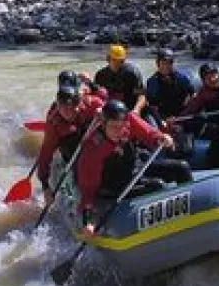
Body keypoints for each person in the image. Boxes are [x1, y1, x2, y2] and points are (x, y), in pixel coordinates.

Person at [74, 99, 190, 234]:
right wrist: (89, 220)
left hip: (134, 169)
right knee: (157, 186)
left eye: (122, 126)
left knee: (182, 167)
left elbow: (148, 133)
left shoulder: (129, 119)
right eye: (113, 127)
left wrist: (160, 138)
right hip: (113, 186)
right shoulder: (93, 148)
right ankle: (165, 231)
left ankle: (193, 215)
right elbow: (87, 189)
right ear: (103, 125)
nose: (119, 131)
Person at [35, 83, 102, 193]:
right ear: (57, 106)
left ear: (79, 103)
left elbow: (109, 102)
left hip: (91, 137)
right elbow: (46, 152)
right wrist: (45, 186)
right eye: (63, 108)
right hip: (72, 145)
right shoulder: (53, 121)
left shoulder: (93, 103)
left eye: (71, 107)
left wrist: (104, 112)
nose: (67, 112)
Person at [143, 49, 194, 127]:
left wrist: (182, 115)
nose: (166, 66)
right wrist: (161, 120)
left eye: (169, 63)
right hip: (162, 116)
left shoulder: (181, 78)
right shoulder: (152, 82)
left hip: (181, 114)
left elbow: (192, 96)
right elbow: (152, 106)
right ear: (158, 64)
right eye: (163, 63)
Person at [93, 44, 146, 116]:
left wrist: (137, 109)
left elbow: (142, 95)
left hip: (130, 110)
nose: (117, 63)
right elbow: (96, 95)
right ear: (108, 59)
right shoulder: (100, 75)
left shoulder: (132, 73)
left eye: (121, 61)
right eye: (114, 60)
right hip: (110, 110)